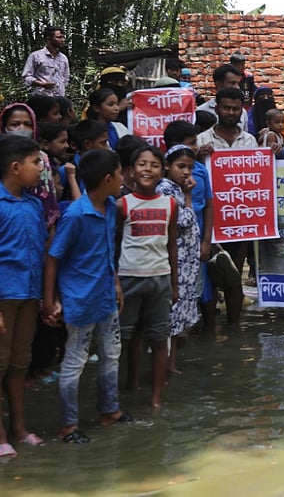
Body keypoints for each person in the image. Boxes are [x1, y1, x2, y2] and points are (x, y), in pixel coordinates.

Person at [43, 149, 134, 444]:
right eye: (120, 174)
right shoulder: (75, 215)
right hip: (80, 299)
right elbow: (54, 257)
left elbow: (107, 251)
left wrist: (116, 283)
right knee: (75, 361)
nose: (123, 178)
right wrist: (50, 300)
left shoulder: (108, 206)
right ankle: (68, 425)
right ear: (108, 179)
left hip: (105, 295)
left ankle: (110, 411)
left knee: (111, 354)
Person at [0, 135, 50, 459]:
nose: (41, 168)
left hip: (29, 296)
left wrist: (46, 297)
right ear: (15, 168)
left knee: (20, 364)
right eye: (35, 163)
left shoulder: (34, 204)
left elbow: (42, 252)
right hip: (2, 298)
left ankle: (19, 428)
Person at [115, 145, 178, 408]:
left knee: (159, 337)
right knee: (124, 338)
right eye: (142, 164)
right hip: (128, 277)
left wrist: (174, 283)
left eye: (153, 165)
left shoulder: (170, 204)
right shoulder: (122, 204)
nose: (147, 170)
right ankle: (124, 388)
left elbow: (171, 244)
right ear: (131, 170)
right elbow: (114, 244)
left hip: (160, 278)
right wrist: (115, 281)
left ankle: (156, 398)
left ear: (162, 170)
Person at [160, 144, 206, 372]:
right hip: (176, 262)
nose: (186, 172)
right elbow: (182, 220)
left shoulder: (176, 188)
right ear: (167, 166)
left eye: (189, 167)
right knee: (172, 316)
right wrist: (188, 196)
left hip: (185, 262)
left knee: (178, 318)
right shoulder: (165, 189)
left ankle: (170, 364)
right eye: (181, 166)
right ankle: (166, 365)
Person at [22, 26, 70, 97]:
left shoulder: (63, 58)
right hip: (41, 99)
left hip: (59, 99)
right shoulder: (36, 56)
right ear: (49, 39)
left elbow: (66, 78)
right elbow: (26, 77)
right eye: (59, 37)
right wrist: (41, 84)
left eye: (63, 37)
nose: (63, 40)